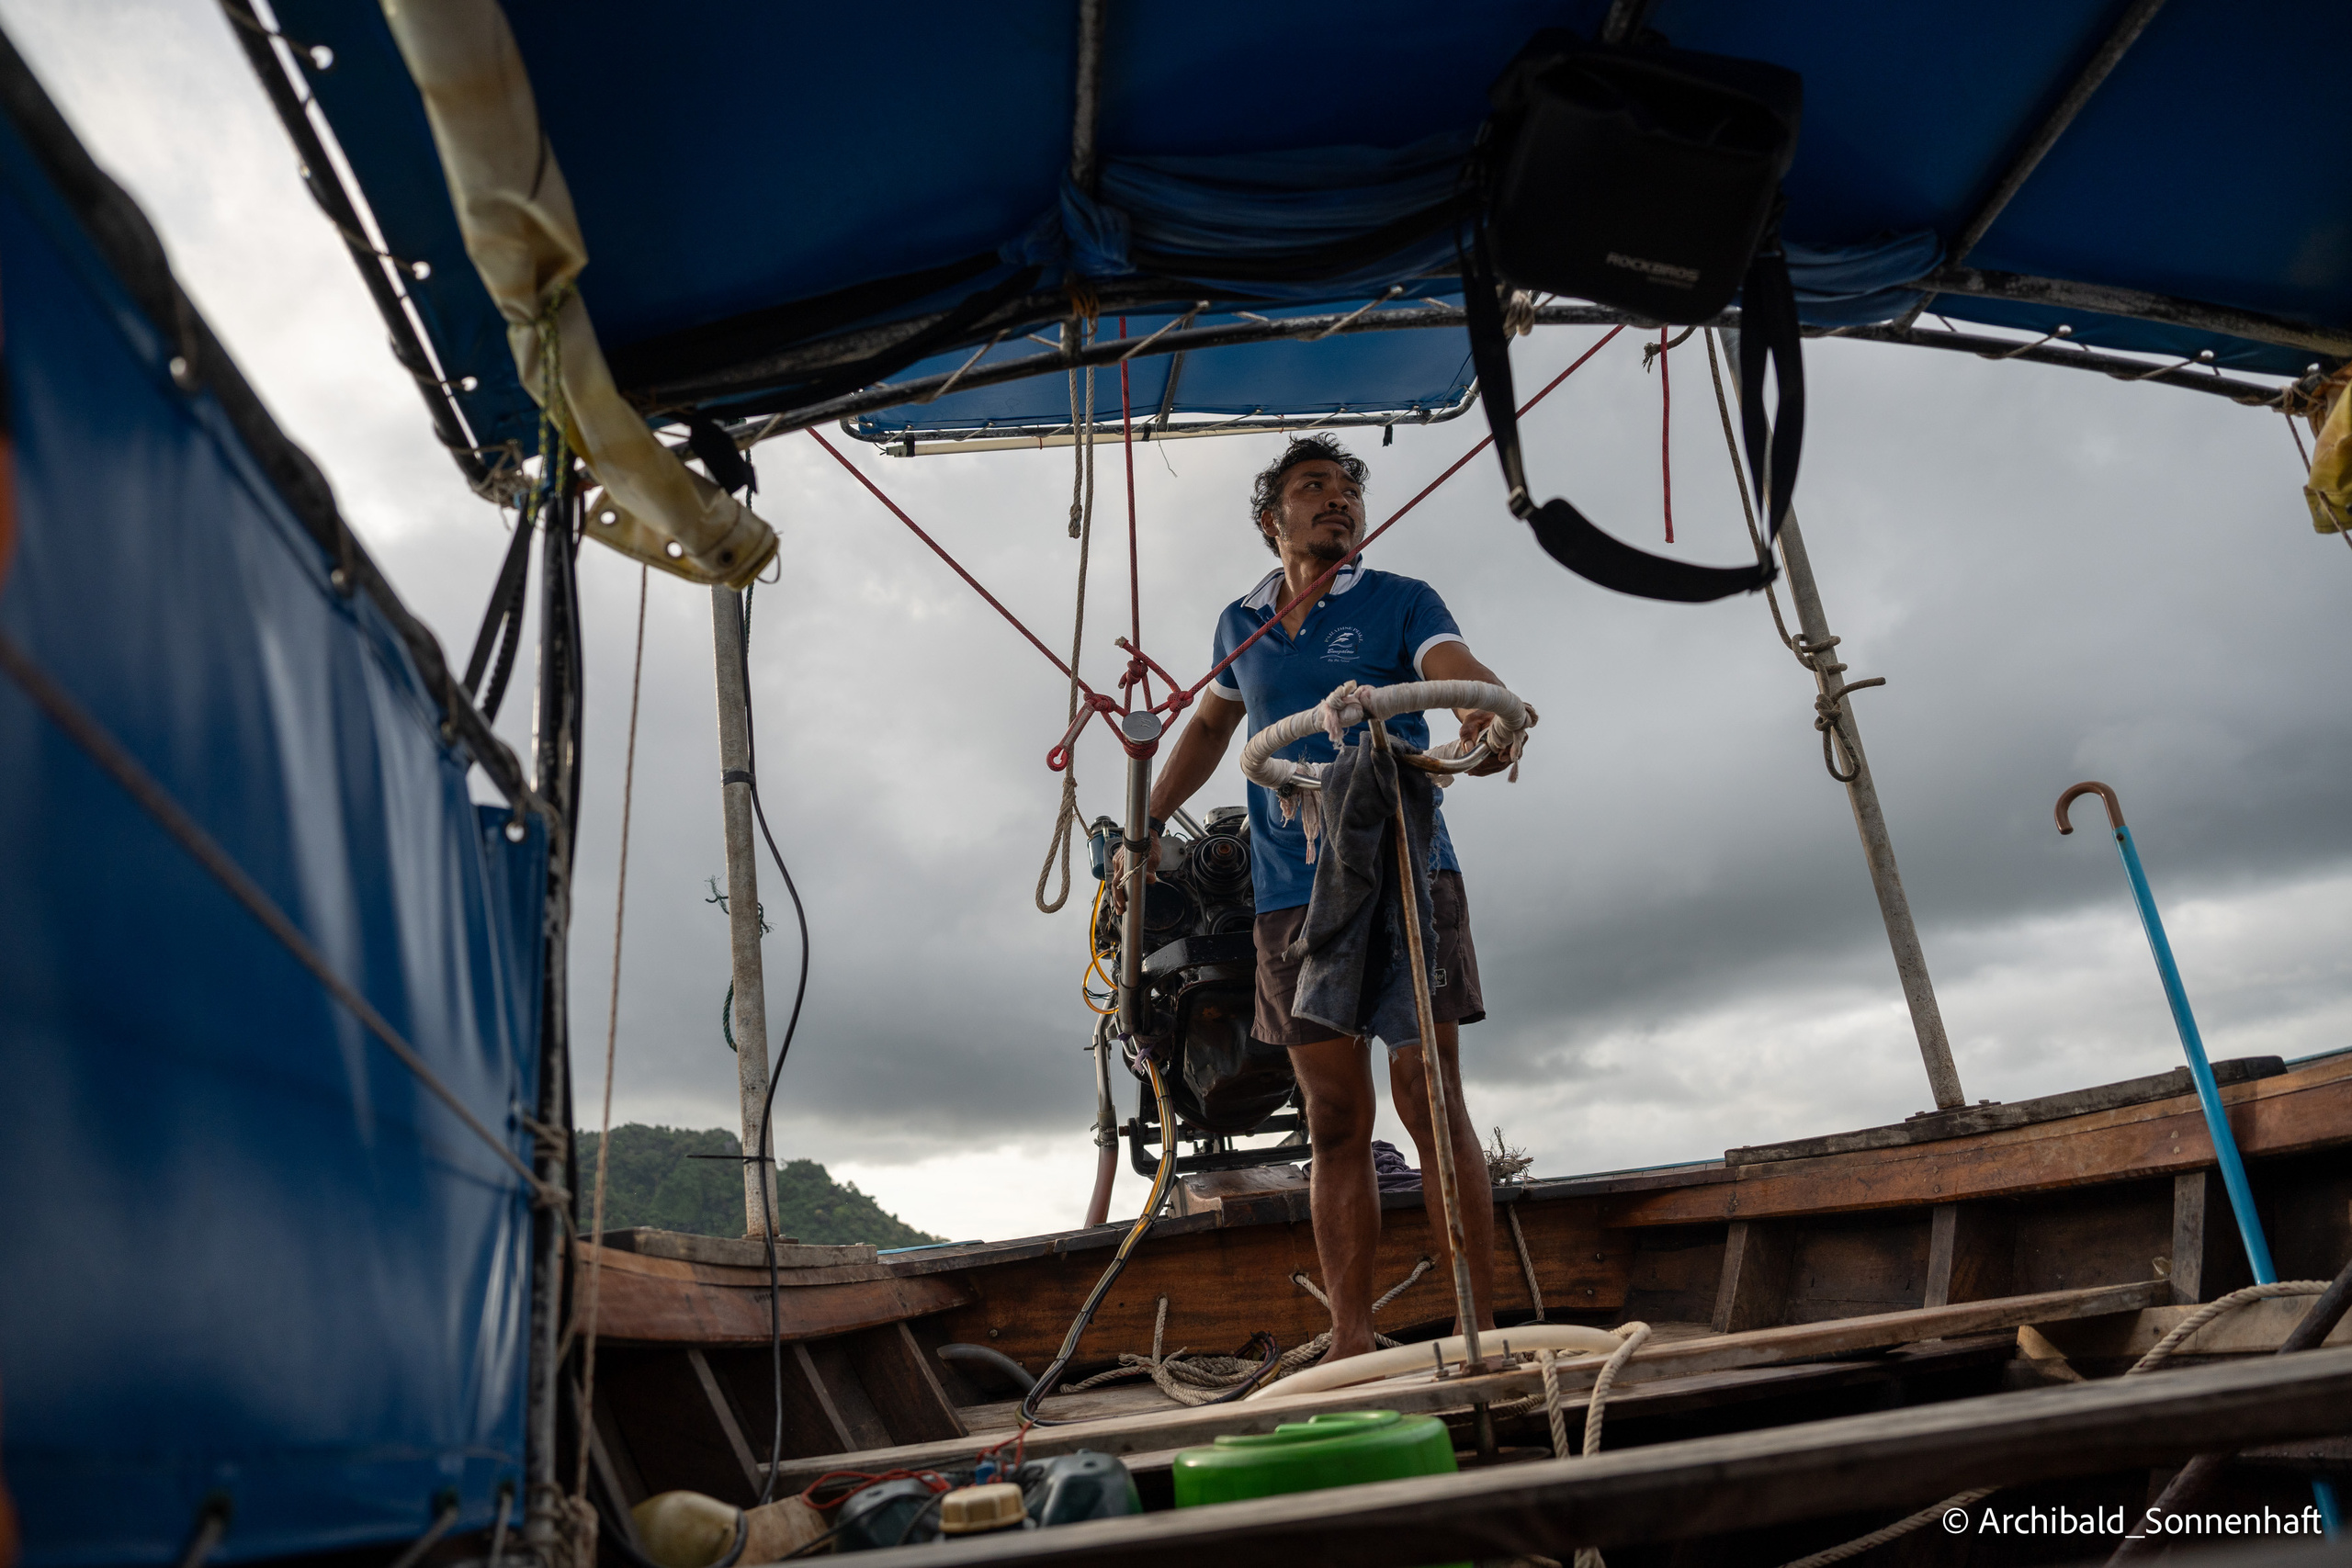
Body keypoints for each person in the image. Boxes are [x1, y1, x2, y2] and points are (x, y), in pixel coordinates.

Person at [1114, 435, 1523, 1361]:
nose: (1337, 503)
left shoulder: (1400, 600)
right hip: (1288, 892)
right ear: (1273, 522)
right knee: (1335, 1117)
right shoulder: (1239, 624)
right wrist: (1141, 832)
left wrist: (1482, 710)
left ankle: (1479, 1326)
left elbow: (1456, 663)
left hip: (1404, 873)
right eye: (1313, 490)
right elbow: (1211, 727)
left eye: (1347, 492)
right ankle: (1350, 1337)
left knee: (1427, 1092)